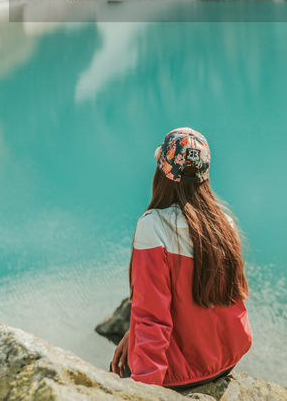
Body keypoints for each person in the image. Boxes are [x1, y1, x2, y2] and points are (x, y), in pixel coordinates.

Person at [110, 127, 252, 390]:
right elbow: (223, 303)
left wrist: (145, 389)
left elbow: (153, 318)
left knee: (119, 370)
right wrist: (133, 334)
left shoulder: (154, 226)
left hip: (182, 375)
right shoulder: (225, 224)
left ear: (162, 173)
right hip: (227, 360)